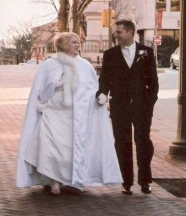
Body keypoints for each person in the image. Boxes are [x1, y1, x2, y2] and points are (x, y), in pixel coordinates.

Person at [16, 32, 123, 195]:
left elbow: (91, 89)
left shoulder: (85, 65)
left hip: (75, 116)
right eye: (74, 42)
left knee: (69, 150)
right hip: (54, 112)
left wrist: (99, 97)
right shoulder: (50, 64)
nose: (78, 45)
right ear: (64, 44)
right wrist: (53, 87)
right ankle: (54, 181)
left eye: (79, 42)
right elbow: (40, 91)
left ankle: (71, 180)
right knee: (51, 147)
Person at [96, 20, 159, 195]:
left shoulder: (146, 52)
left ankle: (145, 180)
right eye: (116, 32)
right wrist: (101, 93)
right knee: (122, 144)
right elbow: (104, 79)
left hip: (142, 107)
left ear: (130, 32)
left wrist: (149, 102)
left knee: (143, 142)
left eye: (119, 32)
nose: (115, 35)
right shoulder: (110, 54)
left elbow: (153, 81)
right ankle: (126, 182)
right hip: (119, 107)